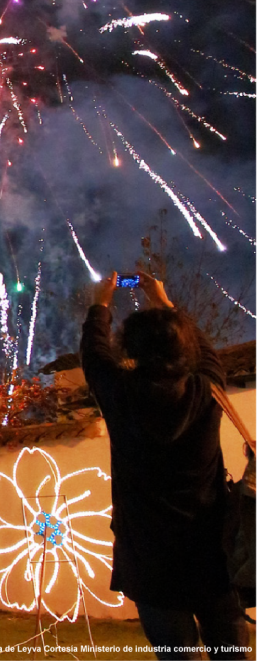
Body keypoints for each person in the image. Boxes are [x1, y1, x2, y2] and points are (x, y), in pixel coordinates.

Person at [80, 271, 249, 660]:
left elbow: (94, 355)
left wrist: (100, 304)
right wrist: (165, 302)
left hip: (149, 562)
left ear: (132, 350)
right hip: (213, 555)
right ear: (183, 348)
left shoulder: (118, 394)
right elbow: (206, 353)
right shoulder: (207, 389)